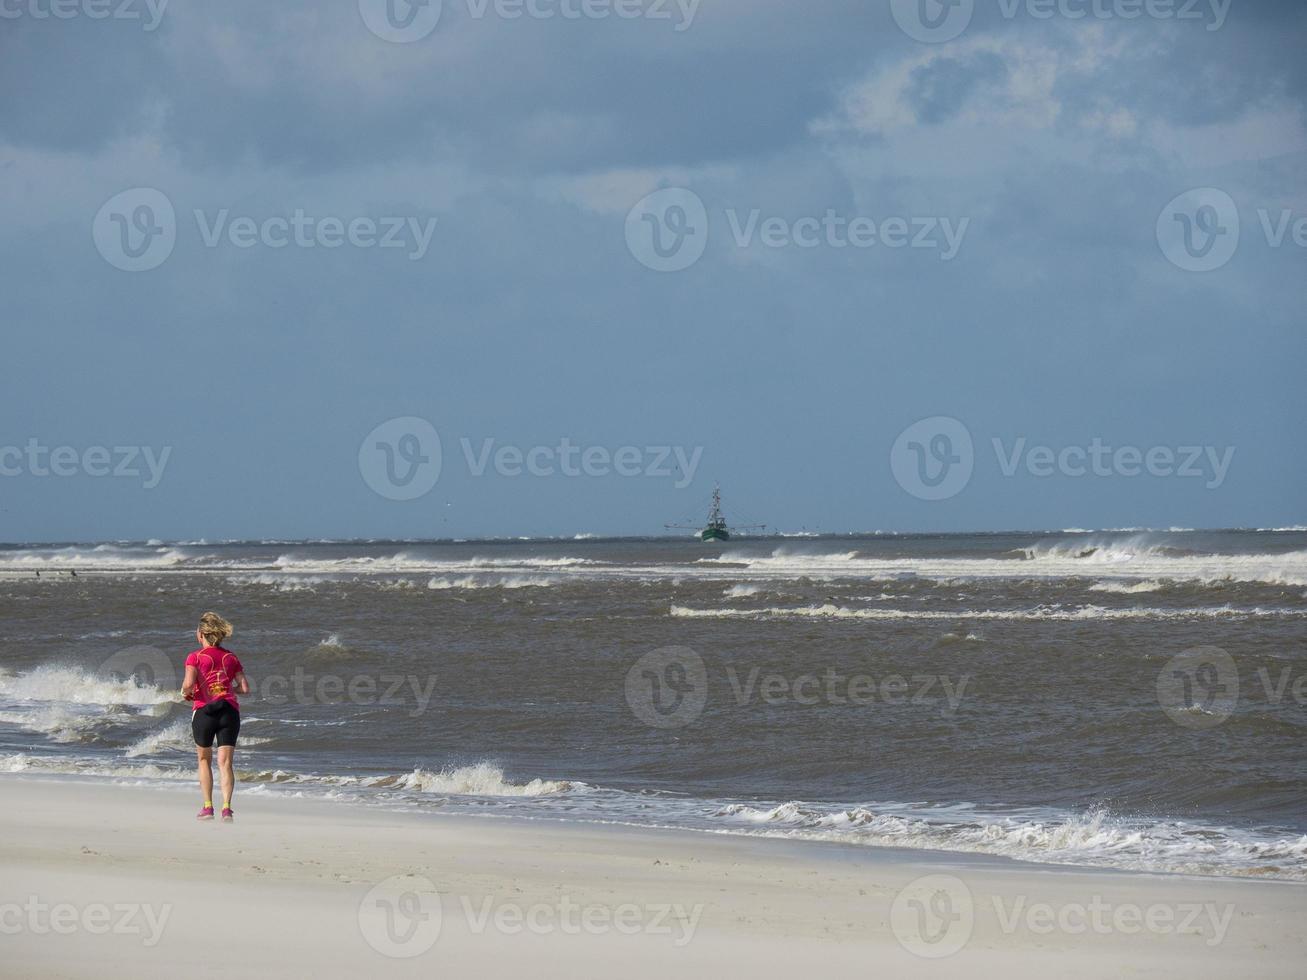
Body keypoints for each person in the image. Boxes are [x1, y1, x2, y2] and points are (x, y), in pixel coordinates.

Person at [181, 612, 250, 822]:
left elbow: (187, 685)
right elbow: (245, 688)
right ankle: (227, 809)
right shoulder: (231, 657)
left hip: (204, 711)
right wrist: (227, 689)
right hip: (229, 711)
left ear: (200, 634)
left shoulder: (195, 657)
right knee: (225, 763)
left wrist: (186, 693)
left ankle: (208, 807)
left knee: (204, 759)